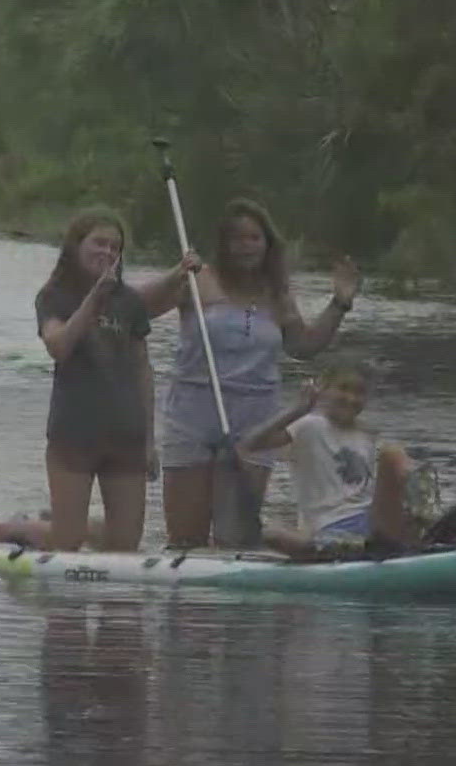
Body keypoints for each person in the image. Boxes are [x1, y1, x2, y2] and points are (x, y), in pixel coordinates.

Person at [154, 199, 360, 548]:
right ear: (224, 244)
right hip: (192, 415)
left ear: (267, 244)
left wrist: (339, 303)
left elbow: (304, 346)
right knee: (186, 537)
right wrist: (174, 274)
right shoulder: (197, 280)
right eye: (237, 238)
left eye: (254, 238)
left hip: (256, 422)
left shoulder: (276, 296)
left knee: (235, 537)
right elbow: (143, 309)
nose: (246, 246)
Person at [34, 209, 196, 552]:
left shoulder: (129, 301)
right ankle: (22, 530)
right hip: (73, 435)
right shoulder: (54, 296)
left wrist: (149, 440)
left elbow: (143, 371)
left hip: (126, 436)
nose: (107, 252)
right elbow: (58, 347)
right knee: (66, 541)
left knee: (124, 546)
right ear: (77, 246)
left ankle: (80, 529)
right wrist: (94, 299)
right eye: (99, 243)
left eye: (115, 247)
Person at [239, 361, 456, 560]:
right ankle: (349, 548)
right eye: (343, 389)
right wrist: (296, 410)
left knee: (393, 455)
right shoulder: (309, 425)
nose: (351, 398)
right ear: (323, 389)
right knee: (272, 534)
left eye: (359, 392)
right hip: (330, 525)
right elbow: (249, 445)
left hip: (369, 520)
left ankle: (423, 526)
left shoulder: (367, 434)